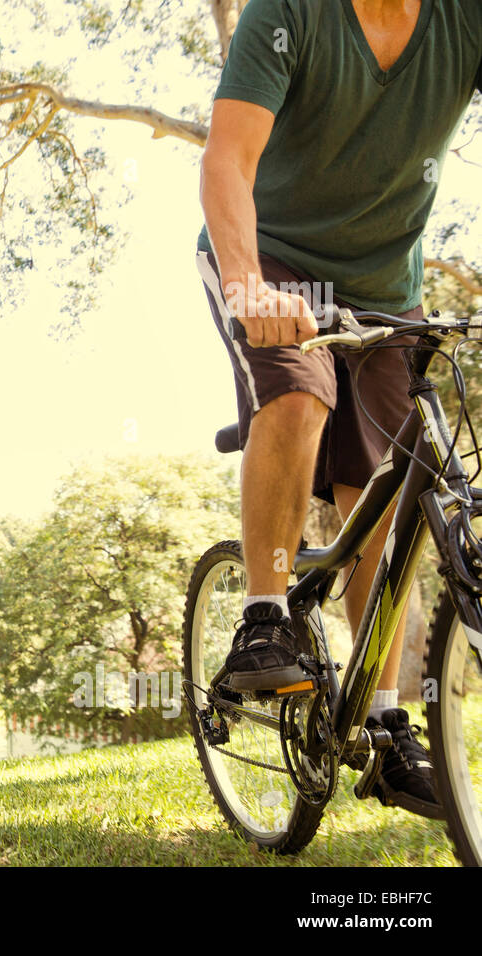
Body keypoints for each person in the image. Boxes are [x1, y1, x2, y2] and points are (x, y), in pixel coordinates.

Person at [197, 0, 482, 819]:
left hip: (386, 292)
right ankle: (262, 616)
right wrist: (248, 283)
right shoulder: (289, 14)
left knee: (391, 489)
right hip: (271, 262)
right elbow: (227, 159)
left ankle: (389, 728)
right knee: (297, 393)